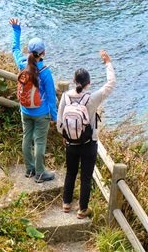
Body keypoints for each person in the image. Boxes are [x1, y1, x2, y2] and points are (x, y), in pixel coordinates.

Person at [57, 50, 116, 219]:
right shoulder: (92, 98)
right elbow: (111, 83)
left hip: (71, 144)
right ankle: (82, 210)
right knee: (86, 177)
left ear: (74, 81)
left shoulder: (66, 97)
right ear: (88, 83)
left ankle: (66, 204)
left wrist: (65, 136)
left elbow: (60, 120)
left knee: (71, 172)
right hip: (89, 143)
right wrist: (108, 63)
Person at [9, 18, 57, 183]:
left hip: (25, 109)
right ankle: (40, 173)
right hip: (41, 112)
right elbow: (51, 97)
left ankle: (29, 169)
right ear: (42, 53)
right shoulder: (45, 71)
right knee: (39, 142)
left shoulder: (22, 64)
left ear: (28, 51)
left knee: (26, 138)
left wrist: (16, 29)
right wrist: (55, 117)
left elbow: (14, 48)